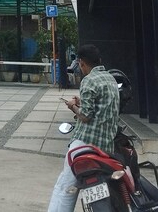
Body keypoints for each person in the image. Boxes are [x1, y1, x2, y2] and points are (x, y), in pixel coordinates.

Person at [48, 44, 120, 212]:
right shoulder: (110, 78)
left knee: (65, 187)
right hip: (106, 147)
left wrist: (73, 106)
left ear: (81, 63)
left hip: (84, 144)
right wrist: (81, 102)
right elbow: (100, 107)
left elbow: (86, 116)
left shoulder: (89, 80)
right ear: (99, 60)